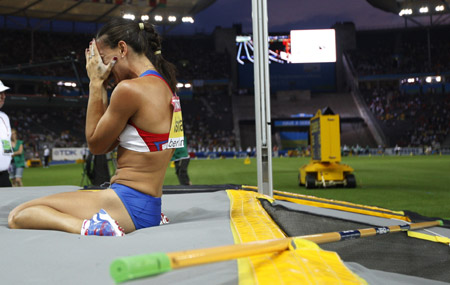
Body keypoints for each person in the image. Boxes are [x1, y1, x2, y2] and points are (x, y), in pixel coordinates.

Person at [8, 19, 183, 236]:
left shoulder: (129, 89)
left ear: (122, 48)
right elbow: (109, 143)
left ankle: (94, 228)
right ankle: (111, 222)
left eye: (102, 58)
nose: (101, 66)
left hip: (126, 204)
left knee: (19, 215)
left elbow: (95, 144)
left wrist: (95, 82)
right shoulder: (167, 88)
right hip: (150, 206)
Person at [0, 80, 13, 187]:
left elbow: (6, 142)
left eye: (4, 93)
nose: (3, 96)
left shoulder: (4, 117)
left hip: (4, 175)